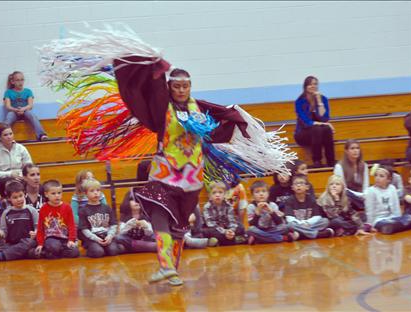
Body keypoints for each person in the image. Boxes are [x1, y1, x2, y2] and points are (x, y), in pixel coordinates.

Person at [38, 27, 294, 286]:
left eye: (186, 86)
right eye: (177, 86)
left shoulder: (199, 109)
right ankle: (166, 267)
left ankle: (171, 268)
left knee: (179, 227)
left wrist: (239, 119)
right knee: (160, 216)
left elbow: (223, 121)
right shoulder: (165, 108)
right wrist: (154, 63)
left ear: (190, 87)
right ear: (171, 87)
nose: (182, 90)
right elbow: (154, 89)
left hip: (190, 178)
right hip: (166, 175)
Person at [0, 181, 39, 262]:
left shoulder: (32, 210)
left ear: (25, 194)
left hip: (28, 242)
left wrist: (35, 232)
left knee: (30, 244)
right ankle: (20, 254)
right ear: (9, 198)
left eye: (21, 196)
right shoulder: (6, 213)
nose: (19, 199)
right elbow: (3, 230)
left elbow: (38, 227)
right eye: (15, 197)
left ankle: (3, 256)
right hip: (12, 244)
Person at [294, 76, 335, 168]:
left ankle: (331, 161)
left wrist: (319, 100)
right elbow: (306, 122)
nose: (313, 86)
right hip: (302, 134)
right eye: (310, 84)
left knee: (327, 129)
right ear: (305, 86)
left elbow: (325, 118)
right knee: (317, 129)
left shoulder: (323, 99)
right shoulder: (299, 102)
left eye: (315, 84)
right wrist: (325, 124)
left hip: (319, 134)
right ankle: (317, 161)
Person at [0, 71, 48, 141]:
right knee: (9, 116)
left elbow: (30, 105)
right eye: (17, 80)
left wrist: (23, 109)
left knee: (32, 115)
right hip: (14, 112)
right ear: (12, 82)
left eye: (22, 80)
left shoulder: (28, 91)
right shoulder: (8, 92)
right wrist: (16, 110)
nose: (20, 82)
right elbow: (8, 106)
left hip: (25, 111)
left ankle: (41, 135)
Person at [35, 180, 79, 259]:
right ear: (46, 194)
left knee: (75, 252)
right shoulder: (43, 208)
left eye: (59, 193)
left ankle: (50, 253)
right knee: (54, 246)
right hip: (51, 238)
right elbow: (40, 228)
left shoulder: (67, 207)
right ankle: (50, 251)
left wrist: (71, 240)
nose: (57, 196)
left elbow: (72, 225)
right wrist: (40, 244)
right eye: (53, 193)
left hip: (64, 239)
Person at [365, 164, 411, 234]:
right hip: (378, 220)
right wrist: (370, 225)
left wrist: (399, 219)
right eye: (376, 175)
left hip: (392, 218)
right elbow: (370, 211)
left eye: (381, 176)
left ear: (389, 179)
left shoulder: (392, 188)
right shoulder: (371, 191)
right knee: (388, 225)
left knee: (408, 218)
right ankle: (400, 226)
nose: (377, 178)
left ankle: (400, 225)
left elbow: (396, 207)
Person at [78, 179, 120, 258]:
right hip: (92, 239)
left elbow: (113, 224)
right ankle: (91, 249)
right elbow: (84, 229)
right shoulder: (83, 210)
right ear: (85, 193)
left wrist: (109, 236)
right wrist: (96, 239)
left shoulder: (107, 208)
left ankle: (105, 247)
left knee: (114, 251)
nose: (96, 193)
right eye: (92, 191)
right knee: (98, 252)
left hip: (106, 236)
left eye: (98, 190)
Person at [0, 123, 32, 198]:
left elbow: (29, 167)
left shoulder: (21, 148)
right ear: (0, 137)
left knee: (30, 181)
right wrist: (10, 174)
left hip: (20, 176)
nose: (9, 137)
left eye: (10, 134)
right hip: (3, 179)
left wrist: (20, 175)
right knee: (8, 183)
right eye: (5, 135)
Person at [284, 174, 334, 239]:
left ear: (307, 187)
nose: (298, 185)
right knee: (290, 225)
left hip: (309, 224)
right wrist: (301, 223)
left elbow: (317, 216)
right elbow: (289, 218)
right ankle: (318, 234)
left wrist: (307, 223)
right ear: (292, 187)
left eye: (301, 183)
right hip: (297, 224)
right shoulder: (289, 200)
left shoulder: (312, 199)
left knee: (325, 221)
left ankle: (300, 235)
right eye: (296, 184)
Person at [202, 181, 247, 246]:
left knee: (241, 227)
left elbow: (231, 220)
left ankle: (221, 241)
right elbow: (210, 224)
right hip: (215, 228)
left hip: (226, 226)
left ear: (224, 194)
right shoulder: (207, 207)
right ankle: (234, 240)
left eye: (220, 192)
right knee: (205, 231)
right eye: (214, 193)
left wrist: (231, 231)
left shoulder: (228, 205)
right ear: (210, 196)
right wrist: (224, 232)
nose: (217, 195)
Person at [333, 139, 369, 210]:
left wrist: (364, 195)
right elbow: (342, 188)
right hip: (347, 197)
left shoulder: (364, 165)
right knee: (347, 194)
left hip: (362, 196)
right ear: (346, 151)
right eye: (352, 148)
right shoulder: (339, 166)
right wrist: (358, 195)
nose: (355, 150)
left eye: (357, 148)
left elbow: (366, 186)